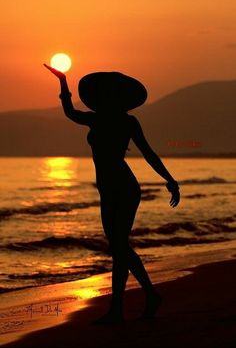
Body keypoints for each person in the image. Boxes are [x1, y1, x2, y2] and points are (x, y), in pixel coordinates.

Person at [44, 64, 180, 324]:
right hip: (108, 190)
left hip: (125, 188)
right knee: (118, 247)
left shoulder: (126, 121)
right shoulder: (98, 118)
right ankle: (120, 307)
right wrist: (62, 82)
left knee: (119, 246)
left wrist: (170, 179)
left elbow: (148, 153)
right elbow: (70, 112)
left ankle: (145, 297)